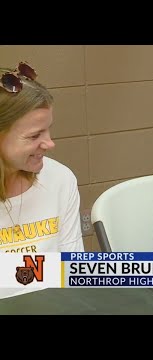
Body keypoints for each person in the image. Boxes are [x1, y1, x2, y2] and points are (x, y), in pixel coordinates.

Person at [0, 61, 84, 254]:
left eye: (48, 130)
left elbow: (73, 269)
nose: (50, 144)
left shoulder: (60, 179)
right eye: (34, 136)